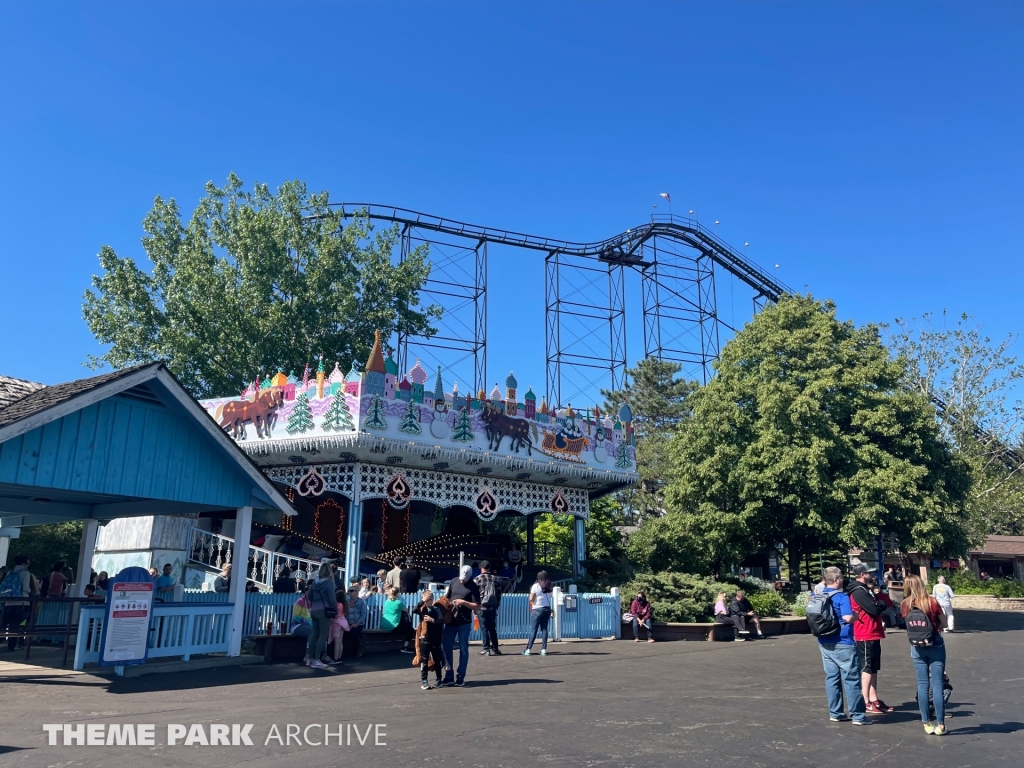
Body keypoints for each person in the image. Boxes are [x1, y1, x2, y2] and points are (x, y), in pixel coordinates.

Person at [816, 566, 869, 725]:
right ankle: (858, 716)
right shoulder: (842, 597)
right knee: (851, 679)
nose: (842, 580)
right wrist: (856, 616)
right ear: (837, 579)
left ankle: (836, 713)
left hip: (824, 641)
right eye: (841, 578)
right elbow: (847, 617)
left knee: (832, 678)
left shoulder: (818, 595)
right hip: (843, 641)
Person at [901, 574, 948, 735]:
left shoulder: (905, 604)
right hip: (935, 643)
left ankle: (926, 723)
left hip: (916, 645)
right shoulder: (932, 602)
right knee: (937, 684)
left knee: (922, 684)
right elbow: (944, 623)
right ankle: (940, 724)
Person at [847, 566, 893, 715]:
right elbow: (874, 609)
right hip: (865, 633)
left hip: (873, 632)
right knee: (867, 668)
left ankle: (874, 699)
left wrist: (879, 603)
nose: (873, 574)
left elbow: (882, 603)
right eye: (870, 572)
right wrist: (879, 604)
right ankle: (865, 701)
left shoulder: (866, 589)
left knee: (873, 668)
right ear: (862, 574)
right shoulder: (858, 591)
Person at [442, 565, 483, 685]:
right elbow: (447, 597)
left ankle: (461, 676)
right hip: (451, 620)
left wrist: (463, 602)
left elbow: (478, 606)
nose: (462, 581)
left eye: (464, 579)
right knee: (446, 647)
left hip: (464, 622)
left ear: (469, 577)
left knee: (463, 649)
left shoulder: (473, 586)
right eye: (461, 578)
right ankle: (449, 675)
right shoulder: (454, 581)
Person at [474, 559, 514, 655]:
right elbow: (499, 594)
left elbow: (474, 595)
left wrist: (475, 608)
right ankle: (495, 648)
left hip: (481, 607)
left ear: (481, 568)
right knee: (492, 629)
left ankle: (486, 649)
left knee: (484, 628)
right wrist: (496, 605)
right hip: (492, 608)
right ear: (489, 568)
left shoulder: (477, 579)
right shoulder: (496, 579)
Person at [305, 563, 337, 669]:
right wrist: (335, 611)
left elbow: (310, 597)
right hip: (324, 610)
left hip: (314, 609)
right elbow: (332, 599)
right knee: (323, 635)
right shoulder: (329, 583)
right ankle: (317, 660)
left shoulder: (315, 582)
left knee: (314, 634)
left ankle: (309, 659)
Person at [414, 589, 446, 689]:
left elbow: (441, 623)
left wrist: (432, 620)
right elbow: (414, 610)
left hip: (435, 638)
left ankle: (439, 679)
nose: (429, 601)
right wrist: (422, 601)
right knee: (424, 660)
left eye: (431, 599)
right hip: (425, 639)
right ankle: (424, 681)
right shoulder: (422, 609)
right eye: (427, 599)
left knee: (437, 659)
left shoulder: (436, 609)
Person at [0, 555, 33, 652]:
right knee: (16, 625)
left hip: (8, 601)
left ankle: (1, 639)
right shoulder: (25, 573)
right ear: (24, 563)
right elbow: (26, 588)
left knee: (4, 624)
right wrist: (30, 591)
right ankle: (11, 646)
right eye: (28, 562)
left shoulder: (10, 572)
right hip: (21, 601)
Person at [523, 570, 553, 656]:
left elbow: (531, 599)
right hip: (547, 609)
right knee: (544, 629)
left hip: (537, 609)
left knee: (534, 629)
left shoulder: (535, 586)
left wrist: (532, 597)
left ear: (538, 578)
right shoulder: (549, 586)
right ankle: (543, 649)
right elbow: (551, 596)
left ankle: (528, 649)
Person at [381, 586, 415, 653]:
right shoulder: (398, 602)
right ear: (398, 594)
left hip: (384, 625)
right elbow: (406, 610)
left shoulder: (386, 601)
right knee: (410, 630)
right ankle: (405, 647)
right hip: (394, 626)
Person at [327, 589, 349, 665]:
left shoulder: (337, 605)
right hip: (342, 623)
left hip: (336, 624)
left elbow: (335, 615)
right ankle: (339, 658)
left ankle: (335, 658)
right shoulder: (344, 605)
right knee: (340, 642)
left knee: (336, 642)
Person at [345, 580, 367, 657]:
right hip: (348, 623)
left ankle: (360, 649)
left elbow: (363, 614)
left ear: (357, 592)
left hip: (358, 623)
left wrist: (357, 623)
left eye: (352, 591)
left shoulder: (361, 602)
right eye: (349, 591)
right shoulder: (347, 602)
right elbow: (345, 613)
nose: (350, 592)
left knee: (354, 632)